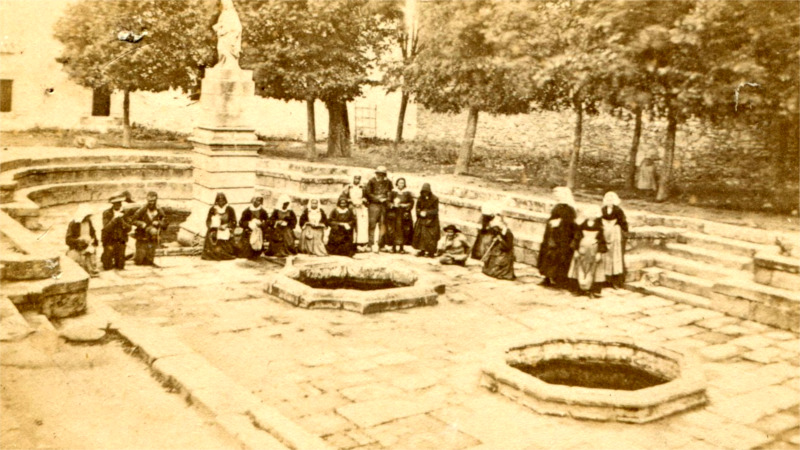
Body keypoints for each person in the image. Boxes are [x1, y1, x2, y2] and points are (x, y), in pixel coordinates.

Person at [537, 186, 577, 289]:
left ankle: (558, 279)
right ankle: (547, 277)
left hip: (562, 238)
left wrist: (559, 223)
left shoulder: (569, 208)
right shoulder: (557, 206)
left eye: (558, 193)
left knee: (558, 256)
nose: (556, 195)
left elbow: (570, 224)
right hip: (552, 235)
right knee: (548, 255)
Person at [569, 206, 608, 298]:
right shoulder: (582, 225)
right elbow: (576, 238)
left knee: (594, 269)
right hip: (582, 250)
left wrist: (599, 253)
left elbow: (602, 241)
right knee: (579, 268)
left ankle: (593, 290)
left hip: (593, 251)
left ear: (597, 215)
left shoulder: (599, 227)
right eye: (590, 213)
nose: (592, 216)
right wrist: (575, 250)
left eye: (594, 214)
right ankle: (579, 289)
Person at [131, 191, 168, 266]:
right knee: (139, 262)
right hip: (142, 237)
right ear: (147, 200)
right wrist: (141, 224)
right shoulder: (142, 209)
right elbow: (133, 220)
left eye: (153, 201)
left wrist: (159, 223)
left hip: (152, 239)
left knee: (149, 262)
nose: (151, 203)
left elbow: (166, 223)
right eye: (149, 201)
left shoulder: (159, 210)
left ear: (156, 200)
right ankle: (136, 255)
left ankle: (148, 257)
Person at [601, 191, 629, 289]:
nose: (609, 201)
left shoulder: (618, 210)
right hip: (605, 234)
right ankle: (605, 279)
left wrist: (616, 226)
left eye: (611, 199)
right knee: (604, 256)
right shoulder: (603, 210)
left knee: (615, 257)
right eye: (607, 199)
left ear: (615, 200)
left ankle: (615, 281)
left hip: (615, 235)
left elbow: (623, 223)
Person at [101, 191, 133, 271]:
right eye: (115, 203)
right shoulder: (107, 213)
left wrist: (122, 221)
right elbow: (106, 228)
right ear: (113, 204)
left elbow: (129, 228)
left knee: (120, 266)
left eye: (119, 203)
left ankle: (117, 256)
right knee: (107, 267)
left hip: (120, 241)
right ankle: (105, 256)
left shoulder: (125, 213)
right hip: (109, 241)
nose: (118, 205)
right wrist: (114, 220)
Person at [364, 166, 393, 252]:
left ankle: (381, 244)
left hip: (383, 205)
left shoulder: (388, 182)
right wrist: (377, 198)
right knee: (372, 225)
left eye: (382, 174)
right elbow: (368, 193)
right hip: (373, 205)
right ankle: (370, 244)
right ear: (376, 174)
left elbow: (390, 192)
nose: (380, 176)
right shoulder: (371, 181)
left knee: (383, 225)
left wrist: (387, 199)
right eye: (379, 174)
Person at [65, 203, 99, 277]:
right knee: (75, 261)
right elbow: (68, 239)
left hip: (88, 245)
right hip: (77, 246)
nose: (88, 218)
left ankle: (91, 270)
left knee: (90, 253)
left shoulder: (89, 222)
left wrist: (93, 240)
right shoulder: (73, 224)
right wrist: (79, 241)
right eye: (86, 216)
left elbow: (93, 233)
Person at [201, 193, 237, 261]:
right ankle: (213, 254)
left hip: (226, 228)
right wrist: (212, 226)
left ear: (225, 201)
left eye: (222, 200)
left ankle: (226, 254)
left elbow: (234, 221)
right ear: (216, 201)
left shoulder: (229, 209)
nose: (221, 202)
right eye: (219, 200)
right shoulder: (213, 209)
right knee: (211, 236)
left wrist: (227, 226)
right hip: (215, 228)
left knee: (225, 237)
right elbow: (208, 220)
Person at [482, 215, 516, 280]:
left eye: (499, 222)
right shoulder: (499, 230)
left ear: (503, 224)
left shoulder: (509, 233)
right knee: (489, 267)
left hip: (506, 253)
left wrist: (500, 240)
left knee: (496, 268)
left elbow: (508, 247)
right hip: (499, 251)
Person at [412, 183, 440, 257]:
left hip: (432, 220)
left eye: (426, 192)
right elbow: (417, 208)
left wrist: (427, 213)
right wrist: (419, 212)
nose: (425, 193)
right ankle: (422, 250)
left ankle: (431, 252)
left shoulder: (435, 199)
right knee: (421, 235)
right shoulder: (420, 198)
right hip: (422, 219)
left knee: (431, 236)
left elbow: (436, 210)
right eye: (423, 192)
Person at [386, 178, 414, 253]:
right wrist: (392, 205)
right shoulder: (393, 192)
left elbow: (411, 202)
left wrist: (405, 205)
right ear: (397, 183)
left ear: (404, 184)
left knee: (404, 230)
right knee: (393, 230)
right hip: (394, 214)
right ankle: (393, 247)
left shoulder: (407, 193)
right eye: (399, 183)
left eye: (402, 183)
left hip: (404, 214)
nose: (401, 184)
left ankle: (401, 248)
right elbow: (388, 201)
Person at [239, 195, 271, 260]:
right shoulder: (247, 211)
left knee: (258, 244)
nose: (258, 202)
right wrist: (248, 223)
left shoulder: (263, 211)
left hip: (259, 231)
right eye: (257, 200)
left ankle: (257, 252)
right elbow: (241, 222)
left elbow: (268, 221)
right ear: (253, 200)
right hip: (249, 231)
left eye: (260, 201)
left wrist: (262, 224)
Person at [342, 174, 369, 251]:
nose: (357, 180)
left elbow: (366, 196)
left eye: (358, 179)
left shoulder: (363, 187)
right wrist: (349, 201)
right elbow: (343, 197)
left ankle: (360, 242)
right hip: (351, 207)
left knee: (361, 225)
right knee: (352, 223)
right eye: (355, 178)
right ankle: (351, 242)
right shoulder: (348, 187)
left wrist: (363, 200)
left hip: (360, 207)